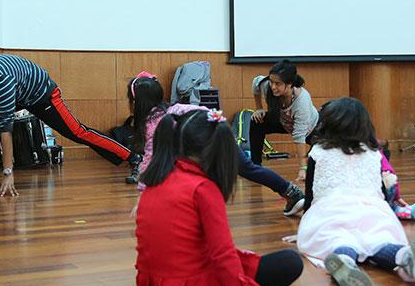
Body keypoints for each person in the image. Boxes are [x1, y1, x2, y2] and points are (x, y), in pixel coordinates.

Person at [135, 109, 304, 286]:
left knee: (245, 259)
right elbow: (222, 253)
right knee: (289, 262)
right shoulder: (203, 189)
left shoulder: (155, 179)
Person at [294, 98, 415, 286]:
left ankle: (345, 261)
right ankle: (405, 256)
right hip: (373, 210)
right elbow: (380, 190)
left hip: (331, 211)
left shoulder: (318, 152)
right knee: (379, 241)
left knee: (336, 240)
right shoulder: (374, 153)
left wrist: (307, 226)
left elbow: (311, 194)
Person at [0, 49, 141, 195]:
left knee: (78, 132)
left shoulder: (1, 77)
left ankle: (134, 158)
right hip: (20, 96)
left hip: (43, 96)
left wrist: (8, 173)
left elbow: (5, 127)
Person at [129, 72, 305, 216]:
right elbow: (205, 111)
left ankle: (292, 192)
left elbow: (150, 157)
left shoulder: (154, 122)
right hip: (216, 138)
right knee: (245, 170)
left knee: (244, 170)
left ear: (137, 102)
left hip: (214, 143)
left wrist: (142, 194)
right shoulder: (173, 109)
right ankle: (291, 192)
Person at [249, 60, 320, 180]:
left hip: (310, 128)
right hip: (284, 121)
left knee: (318, 156)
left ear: (290, 84)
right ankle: (255, 167)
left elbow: (299, 135)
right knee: (257, 121)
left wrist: (303, 169)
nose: (273, 87)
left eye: (278, 83)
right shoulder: (267, 86)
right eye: (271, 82)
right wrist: (259, 108)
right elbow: (256, 83)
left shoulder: (302, 101)